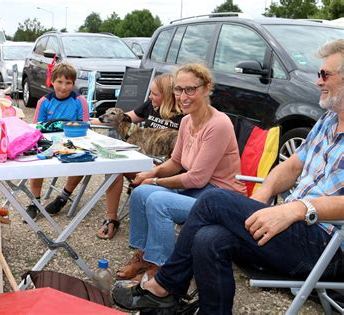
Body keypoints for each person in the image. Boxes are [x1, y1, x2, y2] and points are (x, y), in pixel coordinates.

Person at [112, 39, 344, 314]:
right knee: (208, 239)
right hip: (293, 229)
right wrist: (263, 194)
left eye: (324, 74)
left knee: (213, 200)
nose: (317, 81)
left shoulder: (217, 123)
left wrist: (297, 208)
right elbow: (292, 166)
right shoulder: (328, 120)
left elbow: (197, 179)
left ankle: (165, 287)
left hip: (327, 242)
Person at [115, 63, 247, 281]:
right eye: (178, 89)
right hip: (198, 191)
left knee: (159, 202)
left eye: (190, 89)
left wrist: (156, 182)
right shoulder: (186, 121)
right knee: (139, 193)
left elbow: (196, 178)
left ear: (206, 88)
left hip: (221, 197)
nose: (183, 96)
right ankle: (145, 256)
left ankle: (164, 268)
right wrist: (149, 174)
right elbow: (176, 162)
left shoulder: (219, 124)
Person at [91, 73, 184, 240]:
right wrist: (88, 121)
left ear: (169, 95)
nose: (149, 97)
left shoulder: (183, 116)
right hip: (145, 165)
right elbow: (121, 118)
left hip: (168, 171)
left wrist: (157, 170)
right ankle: (111, 218)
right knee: (114, 167)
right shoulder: (150, 106)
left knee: (120, 166)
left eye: (154, 94)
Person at [27, 62, 89, 219]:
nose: (64, 87)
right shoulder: (44, 101)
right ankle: (35, 201)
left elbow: (85, 127)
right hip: (48, 143)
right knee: (36, 162)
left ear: (73, 83)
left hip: (73, 143)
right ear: (52, 81)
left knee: (83, 161)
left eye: (68, 83)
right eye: (60, 82)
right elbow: (36, 128)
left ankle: (63, 197)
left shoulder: (79, 101)